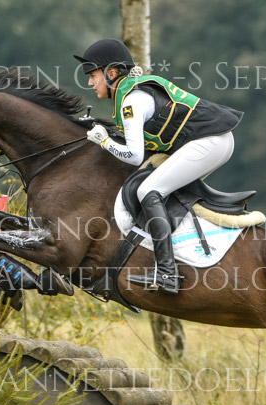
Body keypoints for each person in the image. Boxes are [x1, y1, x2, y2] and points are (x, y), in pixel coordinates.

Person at [74, 38, 243, 294]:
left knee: (148, 191)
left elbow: (133, 156)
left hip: (211, 142)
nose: (89, 83)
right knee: (163, 190)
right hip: (215, 140)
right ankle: (184, 253)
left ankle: (167, 273)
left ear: (111, 74)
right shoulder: (132, 92)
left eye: (92, 75)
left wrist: (104, 141)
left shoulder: (131, 101)